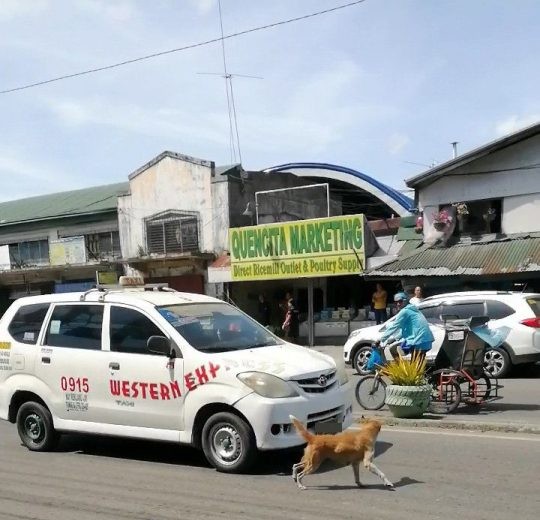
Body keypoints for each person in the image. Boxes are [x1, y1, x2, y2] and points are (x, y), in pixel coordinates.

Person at [380, 291, 434, 362]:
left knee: (415, 369)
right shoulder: (413, 309)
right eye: (396, 302)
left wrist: (382, 339)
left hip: (419, 342)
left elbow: (395, 326)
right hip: (424, 341)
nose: (398, 304)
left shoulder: (405, 311)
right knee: (394, 349)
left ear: (405, 301)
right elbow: (409, 329)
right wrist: (395, 338)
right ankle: (402, 369)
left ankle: (402, 370)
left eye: (400, 301)